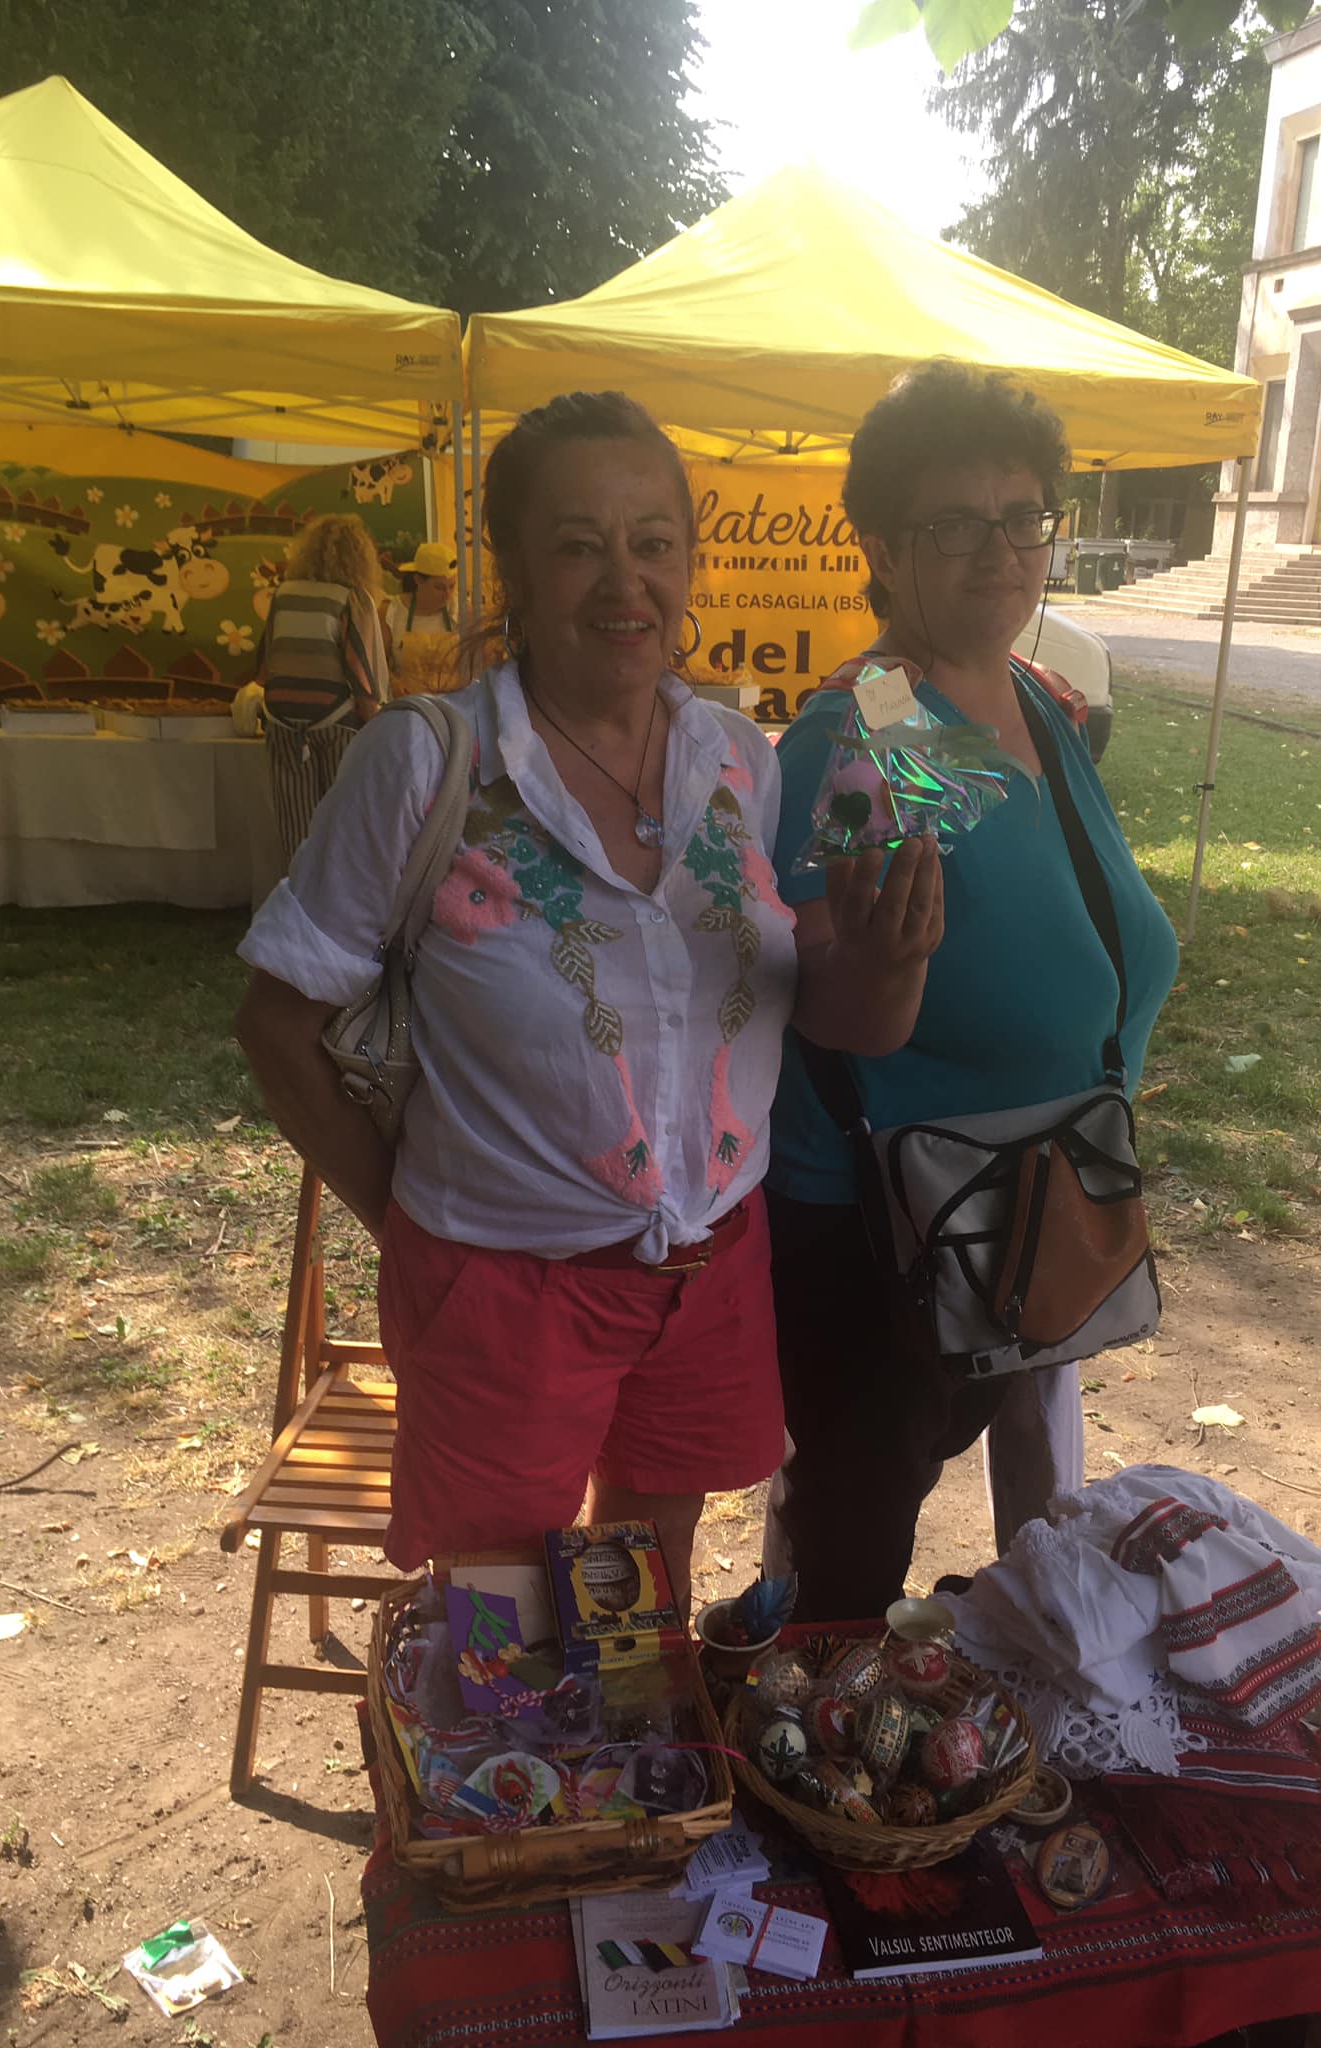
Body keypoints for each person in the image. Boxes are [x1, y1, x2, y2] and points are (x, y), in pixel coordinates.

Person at [232, 390, 939, 1610]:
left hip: (708, 1261)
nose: (625, 580)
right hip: (501, 1284)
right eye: (578, 544)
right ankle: (516, 1752)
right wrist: (407, 1219)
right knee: (500, 1625)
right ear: (510, 566)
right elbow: (277, 1022)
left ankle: (630, 1745)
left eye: (653, 541)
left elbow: (809, 1003)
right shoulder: (428, 759)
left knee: (641, 1605)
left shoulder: (741, 761)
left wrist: (888, 954)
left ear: (688, 560)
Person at [764, 361, 1180, 1622]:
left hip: (1022, 1191)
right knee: (845, 1566)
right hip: (895, 1228)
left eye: (1023, 516)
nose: (1001, 550)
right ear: (884, 548)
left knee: (997, 1534)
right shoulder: (889, 724)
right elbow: (829, 997)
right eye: (956, 523)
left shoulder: (1033, 701)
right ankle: (803, 1718)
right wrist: (884, 966)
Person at [259, 512, 390, 858]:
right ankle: (339, 887)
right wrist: (376, 721)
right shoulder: (350, 598)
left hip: (282, 724)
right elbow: (360, 672)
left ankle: (299, 888)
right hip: (336, 723)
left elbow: (266, 664)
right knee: (342, 820)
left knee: (296, 829)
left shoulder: (282, 594)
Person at [381, 541, 458, 693]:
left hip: (453, 703)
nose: (448, 595)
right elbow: (378, 663)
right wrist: (393, 683)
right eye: (439, 587)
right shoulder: (391, 612)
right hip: (409, 703)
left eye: (452, 586)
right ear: (418, 580)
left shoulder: (461, 609)